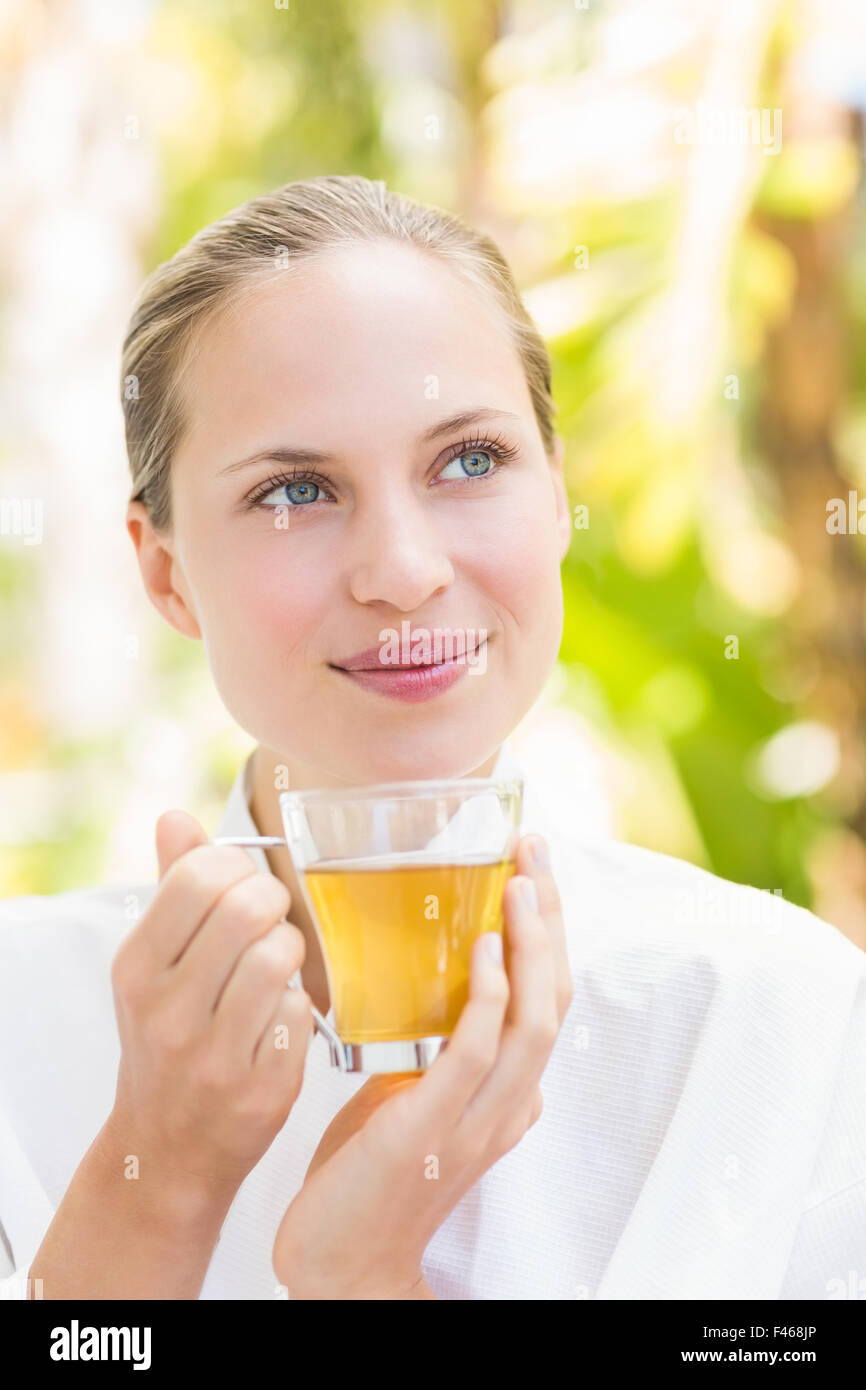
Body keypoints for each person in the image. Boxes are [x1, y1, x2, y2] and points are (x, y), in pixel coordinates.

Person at [1, 175, 864, 1301]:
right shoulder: (24, 1020)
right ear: (165, 571)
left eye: (468, 461)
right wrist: (154, 1180)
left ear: (554, 496)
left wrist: (359, 1274)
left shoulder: (768, 1017)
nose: (404, 572)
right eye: (295, 489)